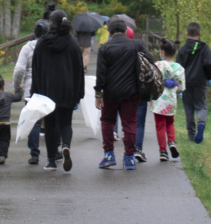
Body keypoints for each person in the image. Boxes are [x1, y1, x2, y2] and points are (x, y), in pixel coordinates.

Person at [95, 14, 154, 171]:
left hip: (110, 93)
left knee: (107, 121)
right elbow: (151, 60)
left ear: (111, 31)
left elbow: (101, 74)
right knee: (130, 123)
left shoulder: (105, 48)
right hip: (131, 92)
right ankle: (129, 158)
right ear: (125, 30)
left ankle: (109, 155)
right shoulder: (137, 45)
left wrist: (98, 95)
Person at [30, 9, 83, 171]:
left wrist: (35, 92)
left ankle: (51, 160)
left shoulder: (42, 43)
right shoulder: (73, 43)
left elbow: (36, 70)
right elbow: (78, 70)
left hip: (47, 91)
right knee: (66, 123)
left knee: (50, 125)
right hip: (67, 90)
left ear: (51, 23)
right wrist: (79, 93)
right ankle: (65, 145)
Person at [12, 19, 49, 164]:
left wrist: (16, 86)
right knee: (52, 121)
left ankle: (34, 153)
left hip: (30, 89)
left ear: (34, 32)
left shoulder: (27, 48)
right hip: (49, 89)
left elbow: (19, 69)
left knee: (34, 123)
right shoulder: (51, 47)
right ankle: (56, 150)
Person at [176, 21, 211, 143]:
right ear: (200, 33)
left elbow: (178, 68)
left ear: (187, 33)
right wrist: (210, 78)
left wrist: (179, 84)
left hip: (186, 83)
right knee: (201, 106)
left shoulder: (182, 50)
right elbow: (208, 64)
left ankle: (191, 135)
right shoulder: (205, 48)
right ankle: (201, 124)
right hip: (200, 82)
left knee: (188, 108)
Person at [153, 38, 185, 161]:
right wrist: (177, 90)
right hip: (171, 99)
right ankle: (171, 141)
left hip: (158, 100)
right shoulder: (179, 68)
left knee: (160, 125)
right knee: (170, 122)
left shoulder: (158, 65)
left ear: (162, 52)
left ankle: (162, 151)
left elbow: (152, 81)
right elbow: (182, 86)